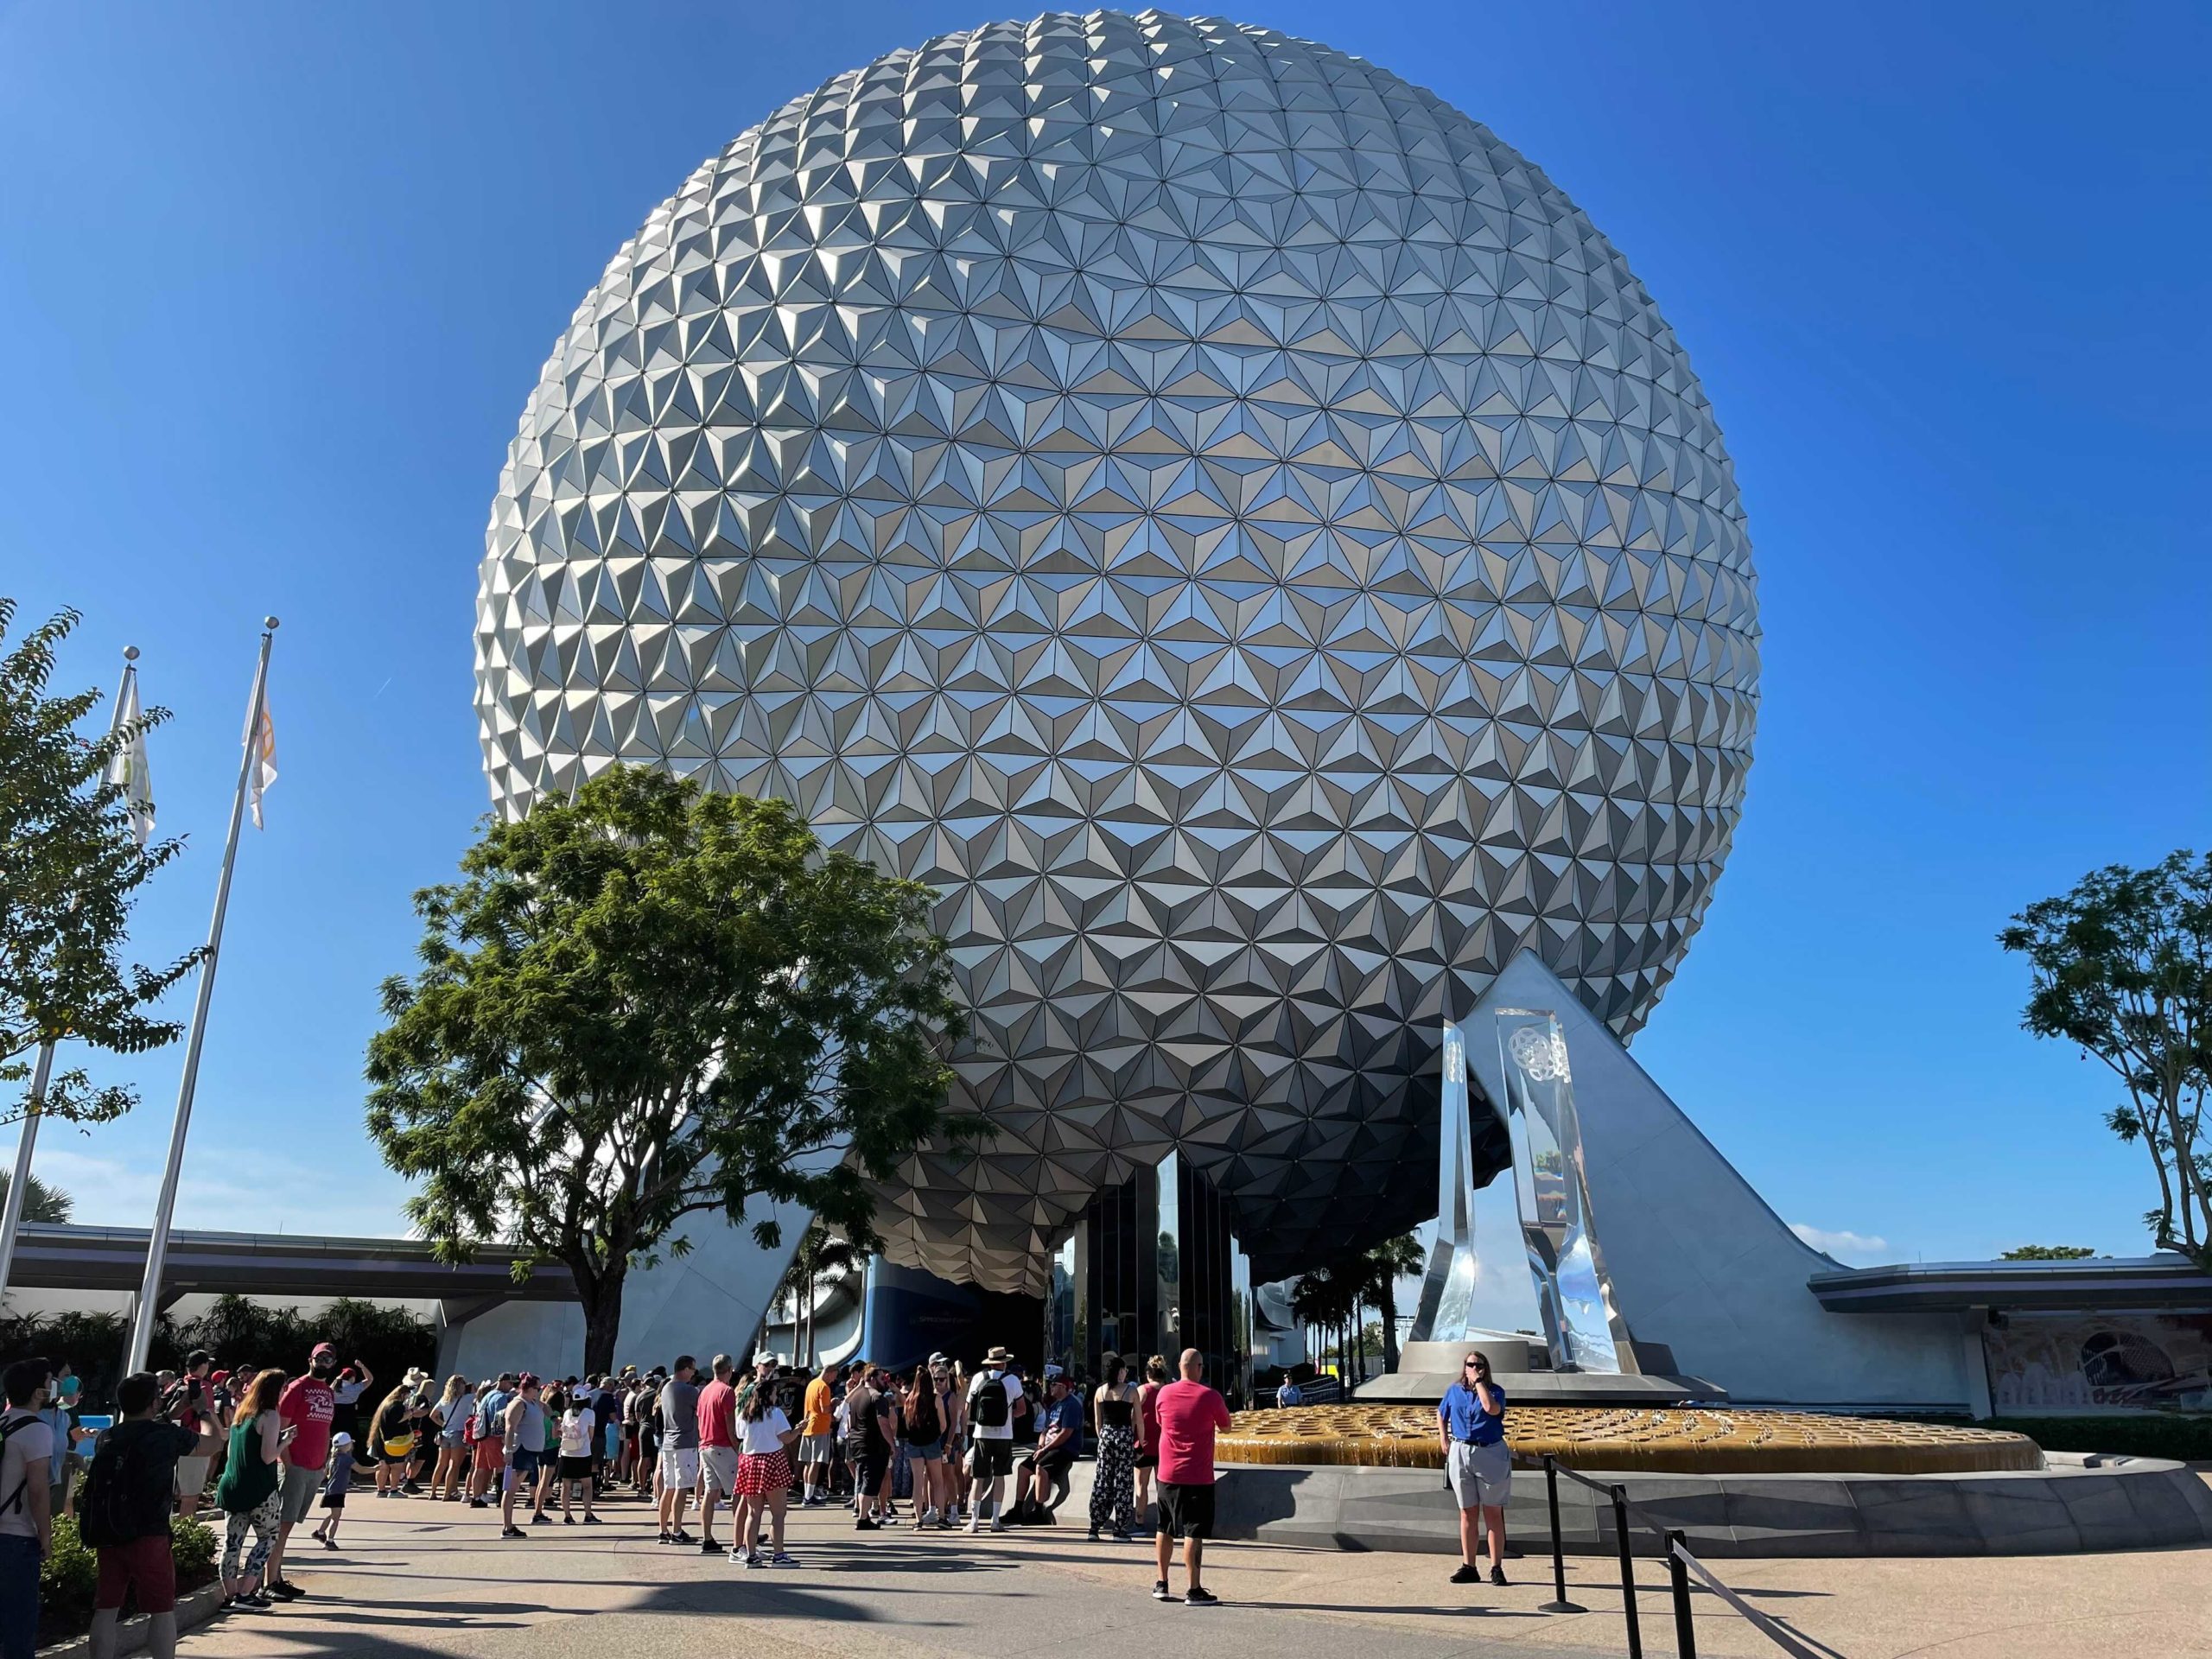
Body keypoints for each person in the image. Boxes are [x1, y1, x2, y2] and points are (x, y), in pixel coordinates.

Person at [80, 1371, 200, 1659]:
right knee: (161, 1610)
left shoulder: (108, 1437)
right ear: (154, 1403)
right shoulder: (166, 1435)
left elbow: (142, 1429)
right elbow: (212, 1442)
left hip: (109, 1530)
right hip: (150, 1533)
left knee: (106, 1608)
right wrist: (204, 1411)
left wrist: (173, 1409)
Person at [1151, 1347, 1230, 1606]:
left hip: (1167, 1473)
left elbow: (1163, 1424)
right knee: (1193, 1531)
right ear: (1198, 1368)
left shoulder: (1163, 1393)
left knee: (1164, 1527)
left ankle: (1161, 1583)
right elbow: (1227, 1427)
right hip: (1198, 1475)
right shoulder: (1210, 1396)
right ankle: (1194, 1590)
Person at [269, 1341, 340, 1602]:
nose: (324, 1362)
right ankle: (270, 1581)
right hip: (294, 1466)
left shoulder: (328, 1392)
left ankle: (276, 1577)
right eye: (320, 1358)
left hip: (315, 1467)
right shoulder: (297, 1388)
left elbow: (325, 1429)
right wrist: (287, 1463)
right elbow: (281, 1427)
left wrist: (324, 1464)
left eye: (329, 1359)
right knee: (282, 1525)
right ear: (310, 1359)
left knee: (289, 1524)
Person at [214, 1368, 289, 1611]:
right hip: (259, 1489)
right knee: (268, 1537)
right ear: (275, 1390)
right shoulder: (270, 1415)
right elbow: (268, 1457)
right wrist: (285, 1442)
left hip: (233, 1486)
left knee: (233, 1542)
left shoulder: (240, 1415)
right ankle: (246, 1592)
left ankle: (230, 1595)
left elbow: (233, 1451)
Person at [1438, 1349, 1510, 1586]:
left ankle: (1496, 1567)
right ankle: (1469, 1565)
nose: (1474, 1367)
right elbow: (1441, 1413)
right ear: (1464, 1366)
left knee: (1492, 1511)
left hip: (1490, 1452)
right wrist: (1443, 1439)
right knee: (1467, 1511)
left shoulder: (1496, 1391)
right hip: (1461, 1450)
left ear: (1485, 1368)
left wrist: (1478, 1382)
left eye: (1479, 1365)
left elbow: (1491, 1409)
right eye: (1470, 1364)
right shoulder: (1454, 1390)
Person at [0, 1359, 55, 1659]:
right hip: (17, 1539)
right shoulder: (36, 1430)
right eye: (49, 1382)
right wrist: (45, 1538)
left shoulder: (2, 1424)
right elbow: (37, 1490)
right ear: (37, 1392)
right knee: (18, 1629)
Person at [731, 1368, 799, 1567]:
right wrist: (799, 1429)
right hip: (772, 1460)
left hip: (750, 1462)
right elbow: (785, 1438)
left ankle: (750, 1555)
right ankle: (779, 1555)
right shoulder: (775, 1413)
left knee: (753, 1513)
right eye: (774, 1393)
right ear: (768, 1395)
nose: (776, 1396)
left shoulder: (745, 1414)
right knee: (778, 1513)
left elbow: (741, 1436)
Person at [962, 1345, 1023, 1535]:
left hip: (981, 1435)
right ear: (1004, 1363)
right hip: (1004, 1436)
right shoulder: (1013, 1380)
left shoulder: (979, 1378)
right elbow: (1022, 1409)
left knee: (978, 1478)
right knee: (999, 1477)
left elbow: (967, 1407)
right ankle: (995, 1521)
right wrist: (1008, 1415)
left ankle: (974, 1522)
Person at [1089, 1353, 1140, 1541]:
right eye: (1125, 1370)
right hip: (1124, 1436)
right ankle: (1120, 1528)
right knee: (1124, 1483)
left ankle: (1094, 1526)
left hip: (1106, 1436)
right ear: (1120, 1372)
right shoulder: (1131, 1391)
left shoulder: (1100, 1392)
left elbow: (1097, 1421)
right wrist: (1141, 1441)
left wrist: (1103, 1437)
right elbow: (1138, 1421)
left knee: (1102, 1480)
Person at [1015, 1371, 1080, 1520]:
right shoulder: (1056, 1405)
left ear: (1063, 1387)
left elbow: (1066, 1433)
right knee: (1023, 1468)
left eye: (1053, 1385)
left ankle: (1038, 1511)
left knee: (1041, 1468)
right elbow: (1045, 1430)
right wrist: (1040, 1446)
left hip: (1064, 1448)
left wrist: (1046, 1449)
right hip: (1048, 1447)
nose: (1050, 1387)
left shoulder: (1072, 1405)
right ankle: (1018, 1509)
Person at [693, 1355, 740, 1554]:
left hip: (705, 1444)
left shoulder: (704, 1391)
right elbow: (731, 1426)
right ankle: (742, 1537)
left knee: (710, 1492)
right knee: (739, 1491)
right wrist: (738, 1448)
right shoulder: (727, 1391)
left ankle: (707, 1537)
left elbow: (699, 1419)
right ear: (729, 1370)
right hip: (722, 1445)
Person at [656, 1357, 701, 1545]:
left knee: (669, 1488)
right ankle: (677, 1531)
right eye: (692, 1370)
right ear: (685, 1369)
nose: (693, 1373)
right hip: (685, 1442)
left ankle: (663, 1530)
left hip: (668, 1443)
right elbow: (700, 1410)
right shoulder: (689, 1390)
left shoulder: (666, 1387)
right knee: (681, 1489)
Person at [170, 1353, 219, 1520]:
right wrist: (221, 1434)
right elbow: (209, 1413)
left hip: (174, 1442)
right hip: (195, 1444)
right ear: (203, 1366)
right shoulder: (203, 1387)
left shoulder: (177, 1384)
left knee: (175, 1494)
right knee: (190, 1497)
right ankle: (184, 1537)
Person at [843, 1363, 893, 1529]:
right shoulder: (878, 1397)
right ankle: (863, 1518)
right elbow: (883, 1423)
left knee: (864, 1478)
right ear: (872, 1379)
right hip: (873, 1445)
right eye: (881, 1378)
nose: (885, 1381)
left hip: (857, 1443)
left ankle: (863, 1515)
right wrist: (892, 1444)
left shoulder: (855, 1396)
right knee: (869, 1481)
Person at [498, 1375, 546, 1539]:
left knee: (514, 1489)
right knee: (511, 1490)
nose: (538, 1392)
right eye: (537, 1389)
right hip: (520, 1450)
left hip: (529, 1451)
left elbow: (546, 1409)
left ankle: (509, 1526)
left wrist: (554, 1417)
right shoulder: (519, 1403)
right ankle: (507, 1526)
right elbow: (510, 1428)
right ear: (529, 1388)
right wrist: (509, 1451)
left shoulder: (532, 1403)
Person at [900, 1362, 948, 1527]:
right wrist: (935, 1435)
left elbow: (907, 1424)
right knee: (937, 1481)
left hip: (914, 1443)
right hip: (931, 1443)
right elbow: (943, 1425)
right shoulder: (936, 1399)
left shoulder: (910, 1400)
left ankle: (918, 1520)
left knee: (918, 1482)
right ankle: (942, 1517)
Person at [555, 1386, 599, 1524]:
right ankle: (588, 1515)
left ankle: (567, 1516)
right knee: (587, 1485)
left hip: (566, 1452)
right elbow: (591, 1435)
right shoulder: (590, 1413)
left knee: (566, 1486)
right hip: (583, 1452)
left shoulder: (567, 1413)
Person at [470, 1372, 515, 1507]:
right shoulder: (501, 1398)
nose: (511, 1386)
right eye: (510, 1383)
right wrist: (503, 1438)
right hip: (494, 1436)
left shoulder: (487, 1395)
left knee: (480, 1467)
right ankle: (501, 1498)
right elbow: (500, 1418)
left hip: (482, 1435)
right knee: (501, 1466)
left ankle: (476, 1497)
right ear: (503, 1382)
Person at [1134, 1354, 1168, 1527]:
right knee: (1162, 1485)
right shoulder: (1169, 1390)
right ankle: (1165, 1523)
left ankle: (1139, 1521)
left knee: (1141, 1485)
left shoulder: (1142, 1390)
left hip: (1144, 1443)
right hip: (1164, 1444)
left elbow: (1133, 1416)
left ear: (1148, 1373)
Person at [798, 1361, 836, 1507]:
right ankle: (809, 1496)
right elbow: (825, 1409)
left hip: (808, 1425)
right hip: (819, 1426)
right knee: (816, 1462)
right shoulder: (824, 1387)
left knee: (809, 1462)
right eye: (834, 1376)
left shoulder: (812, 1384)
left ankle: (807, 1494)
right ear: (830, 1372)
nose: (834, 1379)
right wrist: (834, 1404)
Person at [429, 1375, 474, 1500]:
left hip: (445, 1433)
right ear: (459, 1385)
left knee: (441, 1464)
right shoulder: (468, 1398)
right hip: (458, 1433)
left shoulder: (444, 1399)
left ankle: (433, 1492)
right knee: (454, 1465)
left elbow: (433, 1415)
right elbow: (480, 1394)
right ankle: (447, 1493)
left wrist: (443, 1424)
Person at [367, 1383, 413, 1497]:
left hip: (380, 1440)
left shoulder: (386, 1404)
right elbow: (398, 1419)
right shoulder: (397, 1405)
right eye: (408, 1394)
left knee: (383, 1466)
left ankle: (381, 1490)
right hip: (394, 1441)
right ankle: (393, 1490)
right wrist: (412, 1412)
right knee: (396, 1466)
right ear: (403, 1394)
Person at [308, 1432, 353, 1549]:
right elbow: (361, 1469)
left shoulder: (333, 1459)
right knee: (336, 1518)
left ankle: (320, 1532)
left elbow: (324, 1474)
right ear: (346, 1446)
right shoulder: (347, 1459)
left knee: (333, 1514)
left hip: (330, 1491)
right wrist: (376, 1468)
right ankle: (330, 1541)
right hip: (338, 1492)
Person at [327, 1359, 373, 1450]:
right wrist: (362, 1366)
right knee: (350, 1442)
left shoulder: (333, 1388)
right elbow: (370, 1379)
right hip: (349, 1419)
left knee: (334, 1442)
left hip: (334, 1419)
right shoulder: (354, 1389)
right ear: (352, 1378)